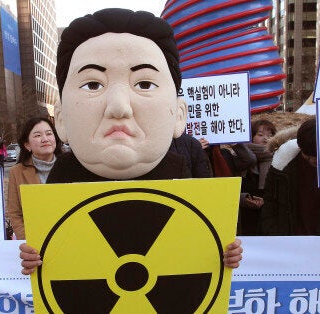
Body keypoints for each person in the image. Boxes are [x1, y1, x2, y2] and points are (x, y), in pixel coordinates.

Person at [20, 8, 242, 276]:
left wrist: (221, 250)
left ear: (179, 115)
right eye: (93, 85)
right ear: (62, 118)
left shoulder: (178, 170)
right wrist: (35, 255)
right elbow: (56, 251)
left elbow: (194, 239)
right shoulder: (64, 174)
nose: (118, 106)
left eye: (144, 84)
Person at [7, 117, 63, 240]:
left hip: (68, 236)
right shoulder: (16, 172)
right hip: (34, 241)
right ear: (27, 145)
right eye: (37, 136)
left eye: (49, 134)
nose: (45, 139)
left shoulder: (70, 166)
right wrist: (29, 239)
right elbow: (14, 213)